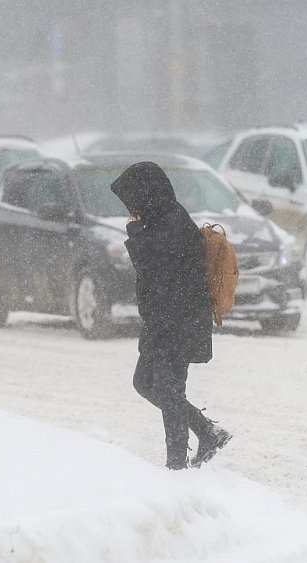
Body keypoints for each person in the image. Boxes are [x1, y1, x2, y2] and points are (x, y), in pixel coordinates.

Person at [110, 162, 232, 470]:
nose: (129, 210)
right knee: (144, 384)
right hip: (162, 322)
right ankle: (207, 430)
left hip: (178, 322)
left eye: (131, 202)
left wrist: (136, 231)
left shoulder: (172, 225)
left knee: (168, 389)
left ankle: (176, 465)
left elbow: (161, 275)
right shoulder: (159, 221)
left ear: (146, 195)